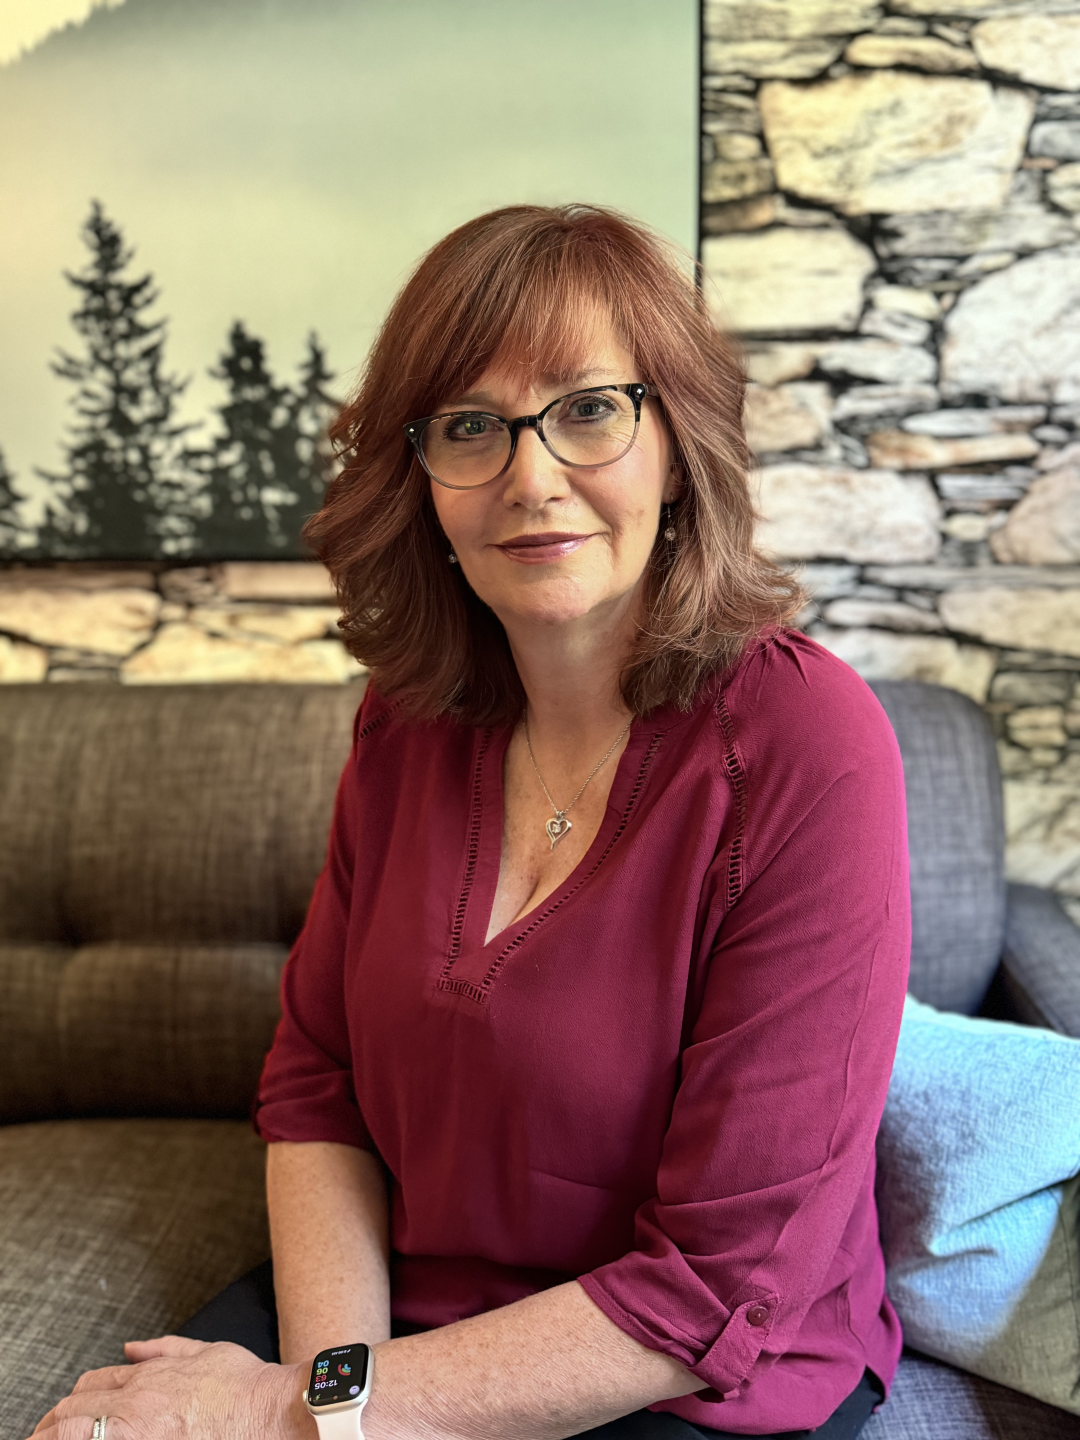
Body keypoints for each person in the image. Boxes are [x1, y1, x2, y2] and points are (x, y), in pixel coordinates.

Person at [33, 204, 909, 1440]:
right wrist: (341, 1404)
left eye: (590, 409)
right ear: (422, 479)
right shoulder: (406, 726)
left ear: (681, 441)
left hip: (695, 1381)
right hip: (398, 1324)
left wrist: (293, 1413)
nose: (531, 476)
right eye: (469, 427)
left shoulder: (811, 746)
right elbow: (318, 1087)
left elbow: (716, 1286)